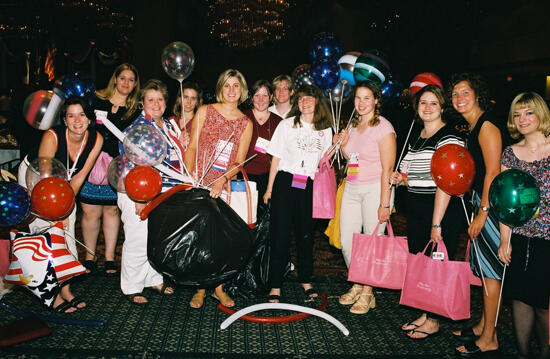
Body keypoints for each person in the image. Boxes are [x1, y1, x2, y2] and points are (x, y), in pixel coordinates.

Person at [390, 85, 465, 338]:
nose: (428, 108)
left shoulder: (449, 137)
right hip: (417, 209)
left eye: (434, 103)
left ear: (442, 107)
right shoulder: (418, 135)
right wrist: (400, 178)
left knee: (436, 265)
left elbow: (446, 181)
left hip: (440, 211)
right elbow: (412, 173)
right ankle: (424, 313)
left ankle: (433, 320)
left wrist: (437, 223)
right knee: (421, 263)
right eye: (423, 102)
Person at [17, 97, 103, 312]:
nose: (77, 120)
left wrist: (64, 210)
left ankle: (65, 288)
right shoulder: (52, 136)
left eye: (82, 114)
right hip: (36, 178)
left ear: (90, 119)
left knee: (67, 230)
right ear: (64, 120)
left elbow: (80, 176)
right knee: (44, 232)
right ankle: (52, 294)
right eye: (71, 115)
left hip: (66, 185)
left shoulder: (96, 139)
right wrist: (54, 212)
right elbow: (44, 180)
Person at [184, 69, 253, 309]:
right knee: (200, 236)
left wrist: (222, 180)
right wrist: (190, 175)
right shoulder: (204, 111)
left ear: (242, 90)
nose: (232, 90)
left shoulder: (246, 123)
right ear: (220, 88)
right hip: (198, 180)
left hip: (222, 185)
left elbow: (240, 161)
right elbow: (192, 146)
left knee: (219, 239)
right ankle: (200, 288)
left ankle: (218, 289)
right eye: (227, 85)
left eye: (236, 86)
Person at [263, 84, 334, 303]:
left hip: (310, 186)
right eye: (301, 99)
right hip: (285, 182)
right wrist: (269, 189)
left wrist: (338, 144)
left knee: (305, 236)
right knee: (280, 235)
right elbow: (275, 158)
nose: (305, 103)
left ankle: (306, 280)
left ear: (317, 102)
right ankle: (275, 284)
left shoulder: (326, 129)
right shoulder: (286, 125)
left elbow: (326, 162)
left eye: (310, 99)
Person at [449, 73, 504, 357]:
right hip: (479, 203)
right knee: (484, 272)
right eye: (455, 94)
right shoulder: (472, 128)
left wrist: (482, 214)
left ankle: (490, 338)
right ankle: (484, 324)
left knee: (492, 274)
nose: (459, 98)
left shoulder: (487, 127)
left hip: (492, 209)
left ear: (477, 95)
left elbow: (493, 173)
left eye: (465, 92)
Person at [334, 81, 396, 314]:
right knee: (348, 243)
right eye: (358, 98)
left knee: (371, 244)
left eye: (366, 98)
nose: (361, 103)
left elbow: (388, 170)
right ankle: (358, 282)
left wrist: (384, 203)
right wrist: (340, 144)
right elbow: (350, 159)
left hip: (374, 189)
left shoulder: (383, 127)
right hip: (351, 187)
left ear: (376, 101)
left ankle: (368, 292)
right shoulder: (351, 126)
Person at [117, 79, 179, 304]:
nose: (156, 104)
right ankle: (131, 286)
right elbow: (128, 163)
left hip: (162, 191)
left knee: (154, 239)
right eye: (150, 100)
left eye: (160, 99)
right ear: (142, 103)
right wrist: (138, 196)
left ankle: (153, 278)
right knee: (137, 238)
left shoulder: (170, 126)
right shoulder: (136, 129)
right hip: (137, 191)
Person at [498, 92, 550, 359]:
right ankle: (522, 354)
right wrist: (504, 240)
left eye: (528, 112)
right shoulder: (511, 153)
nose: (522, 119)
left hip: (548, 240)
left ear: (541, 113)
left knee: (543, 304)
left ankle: (544, 352)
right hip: (519, 236)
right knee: (519, 298)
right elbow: (503, 200)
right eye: (517, 114)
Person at [79, 63, 140, 275]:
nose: (126, 83)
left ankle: (110, 257)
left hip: (118, 166)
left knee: (112, 210)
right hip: (91, 161)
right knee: (89, 211)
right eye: (122, 78)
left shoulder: (135, 110)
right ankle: (89, 256)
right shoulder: (96, 100)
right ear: (115, 79)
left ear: (135, 85)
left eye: (131, 80)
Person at [243, 79, 283, 199]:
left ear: (271, 97)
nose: (261, 100)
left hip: (268, 176)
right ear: (252, 98)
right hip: (243, 175)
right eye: (257, 95)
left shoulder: (279, 122)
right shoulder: (242, 117)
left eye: (265, 96)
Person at [168, 81, 202, 150]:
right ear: (179, 99)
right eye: (186, 97)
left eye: (193, 98)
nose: (188, 102)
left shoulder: (199, 123)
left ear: (197, 102)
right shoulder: (170, 121)